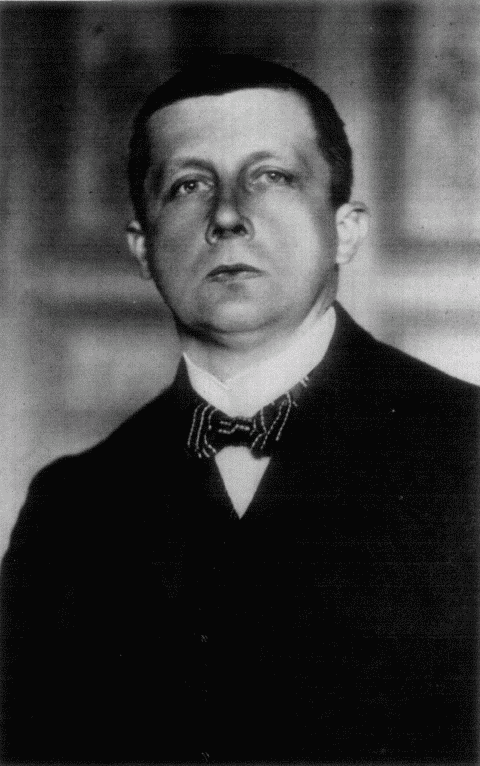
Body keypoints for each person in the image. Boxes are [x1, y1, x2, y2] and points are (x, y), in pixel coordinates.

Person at [1, 55, 478, 765]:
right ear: (142, 249)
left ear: (346, 229)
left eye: (272, 176)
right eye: (188, 185)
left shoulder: (469, 450)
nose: (227, 215)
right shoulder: (70, 508)